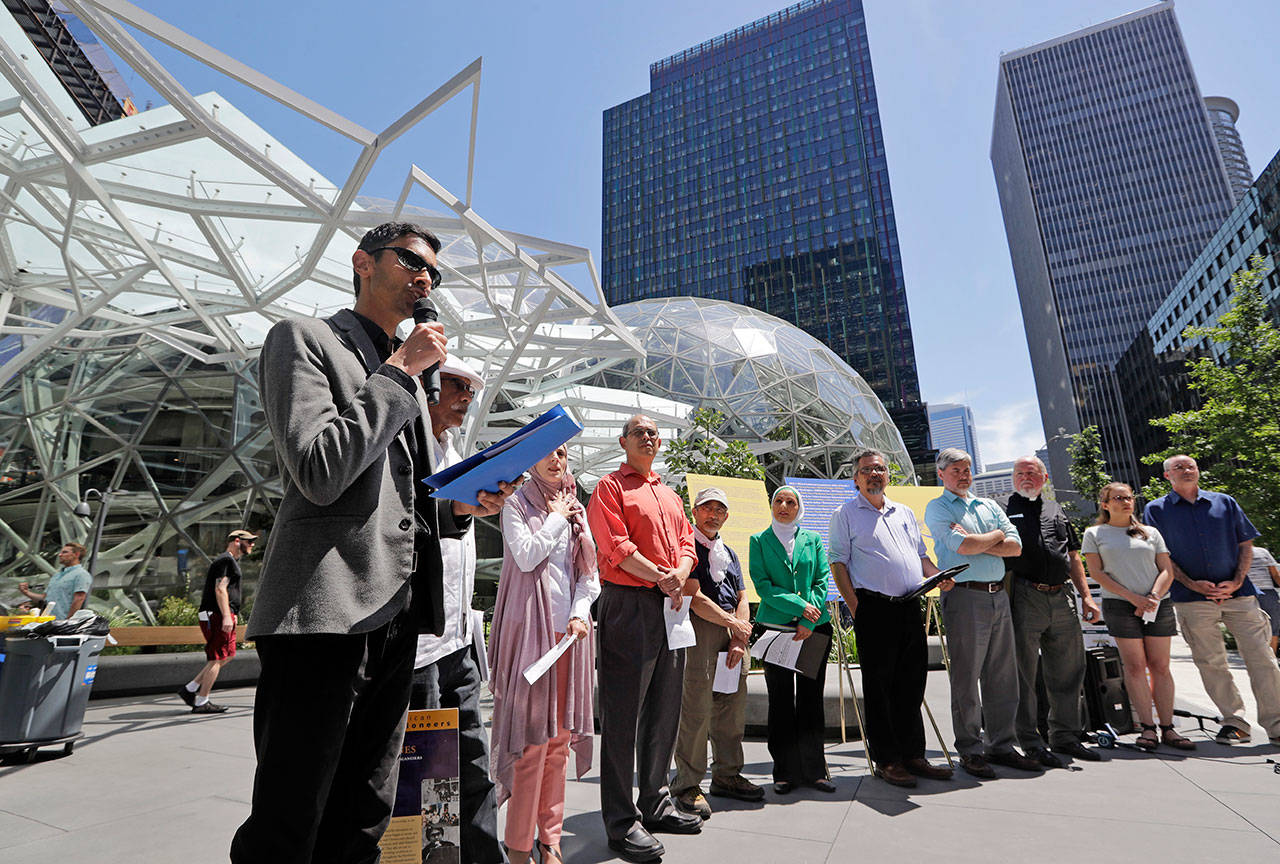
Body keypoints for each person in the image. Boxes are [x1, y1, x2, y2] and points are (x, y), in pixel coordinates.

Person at [229, 222, 515, 864]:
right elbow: (321, 469)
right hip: (324, 612)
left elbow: (396, 505)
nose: (425, 278)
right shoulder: (304, 340)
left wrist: (460, 507)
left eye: (434, 273)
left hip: (395, 617)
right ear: (362, 262)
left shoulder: (408, 380)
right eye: (412, 261)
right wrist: (401, 370)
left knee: (364, 815)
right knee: (291, 815)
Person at [587, 414, 701, 863]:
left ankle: (654, 802)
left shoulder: (670, 495)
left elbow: (689, 544)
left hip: (670, 608)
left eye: (654, 433)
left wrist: (679, 574)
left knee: (664, 708)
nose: (649, 438)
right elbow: (616, 547)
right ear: (623, 441)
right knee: (622, 715)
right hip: (629, 605)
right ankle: (620, 822)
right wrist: (662, 578)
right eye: (640, 432)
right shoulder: (609, 488)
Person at [408, 356, 506, 863]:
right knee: (426, 778)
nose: (466, 397)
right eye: (456, 386)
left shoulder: (454, 451)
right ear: (427, 383)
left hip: (458, 643)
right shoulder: (407, 447)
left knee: (473, 765)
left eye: (471, 389)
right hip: (418, 649)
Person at [489, 444, 600, 864]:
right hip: (529, 637)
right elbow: (527, 553)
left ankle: (550, 839)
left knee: (558, 742)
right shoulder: (516, 504)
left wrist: (579, 612)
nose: (558, 459)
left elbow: (589, 576)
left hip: (568, 635)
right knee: (531, 744)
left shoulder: (577, 508)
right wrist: (556, 518)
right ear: (532, 459)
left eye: (564, 453)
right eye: (549, 452)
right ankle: (518, 845)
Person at [828, 449, 954, 788]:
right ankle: (887, 760)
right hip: (874, 608)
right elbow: (838, 563)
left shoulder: (904, 513)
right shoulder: (845, 514)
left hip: (909, 607)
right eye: (867, 469)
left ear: (888, 475)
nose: (874, 474)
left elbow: (921, 557)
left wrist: (938, 575)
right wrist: (855, 607)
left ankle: (914, 754)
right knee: (880, 686)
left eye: (880, 469)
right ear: (855, 478)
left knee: (912, 684)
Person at [1144, 454, 1280, 746]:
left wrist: (1238, 580)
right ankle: (1234, 722)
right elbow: (1161, 555)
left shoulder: (1224, 502)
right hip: (1191, 598)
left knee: (1263, 659)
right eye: (1178, 467)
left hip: (1240, 595)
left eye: (1190, 466)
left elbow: (1246, 544)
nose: (1186, 470)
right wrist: (1192, 583)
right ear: (1167, 476)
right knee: (1210, 662)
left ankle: (1277, 724)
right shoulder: (1155, 510)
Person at [924, 447, 1042, 778]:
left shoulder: (989, 505)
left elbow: (1015, 547)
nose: (963, 475)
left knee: (1003, 674)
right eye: (956, 470)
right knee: (967, 676)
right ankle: (971, 750)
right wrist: (995, 537)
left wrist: (980, 540)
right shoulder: (937, 507)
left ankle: (1002, 745)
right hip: (964, 596)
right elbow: (961, 547)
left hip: (997, 595)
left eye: (967, 469)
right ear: (942, 475)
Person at [997, 456, 1102, 767]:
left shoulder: (1056, 509)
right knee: (1023, 673)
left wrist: (1087, 596)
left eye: (1031, 473)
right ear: (1013, 479)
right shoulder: (999, 507)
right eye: (1020, 473)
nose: (1025, 477)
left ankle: (1066, 735)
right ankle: (1029, 741)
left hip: (1062, 596)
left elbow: (1073, 556)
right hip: (1023, 595)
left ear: (1043, 478)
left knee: (1069, 670)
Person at [671, 487, 762, 819]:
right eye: (706, 508)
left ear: (726, 516)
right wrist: (732, 625)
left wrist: (739, 636)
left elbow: (742, 595)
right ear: (695, 512)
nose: (713, 514)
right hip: (698, 632)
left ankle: (727, 775)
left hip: (730, 635)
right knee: (695, 711)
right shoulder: (687, 548)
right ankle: (686, 785)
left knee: (730, 709)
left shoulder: (730, 552)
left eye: (719, 510)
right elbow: (693, 596)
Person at [1082, 483, 1194, 751]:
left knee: (1161, 666)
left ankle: (1168, 728)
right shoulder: (1094, 533)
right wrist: (1134, 599)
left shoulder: (1151, 533)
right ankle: (1147, 728)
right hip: (1120, 606)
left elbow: (1166, 569)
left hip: (1158, 605)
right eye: (1118, 498)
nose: (1125, 501)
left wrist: (1153, 597)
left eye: (1129, 497)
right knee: (1134, 667)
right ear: (1105, 504)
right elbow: (1097, 573)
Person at [749, 485, 837, 795]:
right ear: (771, 506)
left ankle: (815, 770)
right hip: (776, 628)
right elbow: (763, 586)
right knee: (781, 700)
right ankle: (784, 772)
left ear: (799, 508)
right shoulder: (758, 541)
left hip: (813, 629)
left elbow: (821, 580)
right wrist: (801, 608)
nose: (784, 506)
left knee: (812, 699)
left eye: (790, 502)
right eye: (779, 501)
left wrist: (807, 620)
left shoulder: (812, 540)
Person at [177, 529, 256, 715]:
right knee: (217, 658)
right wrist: (227, 615)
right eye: (249, 541)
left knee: (227, 655)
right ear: (237, 541)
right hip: (217, 615)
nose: (252, 544)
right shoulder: (225, 560)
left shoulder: (231, 562)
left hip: (221, 614)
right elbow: (220, 589)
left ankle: (190, 689)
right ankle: (202, 701)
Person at [18, 542, 90, 619]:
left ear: (76, 555)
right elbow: (44, 598)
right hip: (47, 622)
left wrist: (68, 621)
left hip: (62, 623)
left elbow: (79, 599)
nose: (60, 555)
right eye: (61, 552)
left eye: (65, 552)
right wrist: (26, 592)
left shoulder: (81, 574)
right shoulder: (57, 576)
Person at [1245, 546, 1280, 656]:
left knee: (1248, 628)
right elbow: (1275, 575)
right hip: (1266, 593)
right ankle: (1271, 660)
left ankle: (1258, 660)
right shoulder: (1263, 551)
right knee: (1272, 627)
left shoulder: (1231, 551)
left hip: (1246, 593)